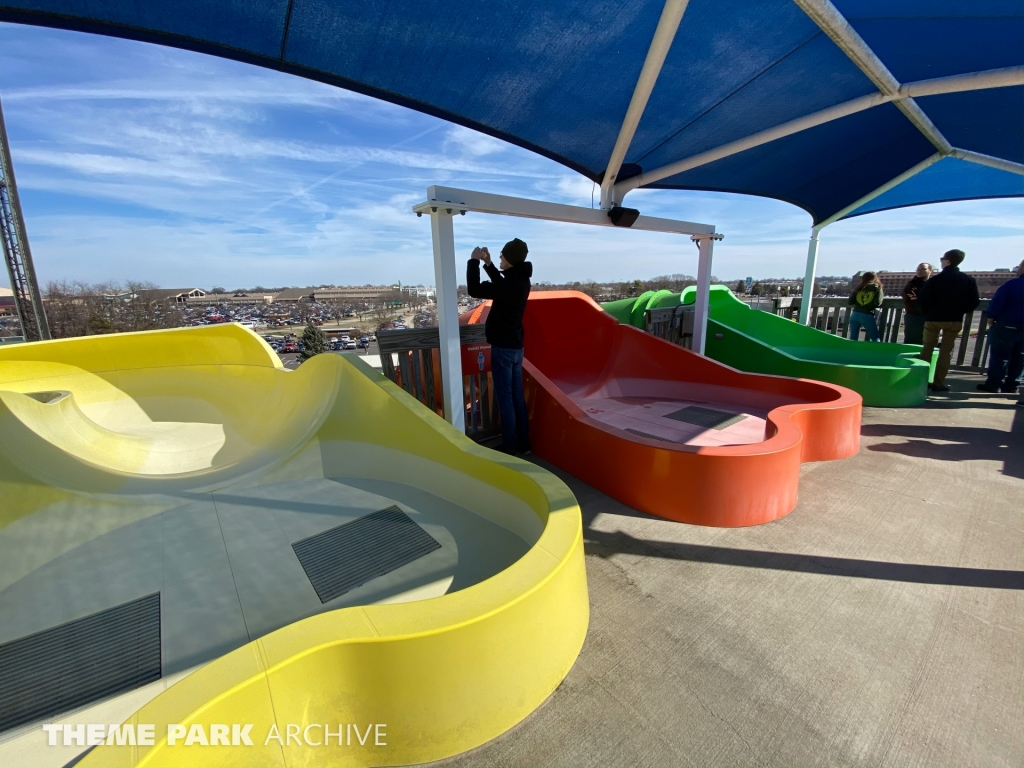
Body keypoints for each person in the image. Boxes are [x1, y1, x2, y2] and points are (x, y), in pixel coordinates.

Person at [466, 238, 532, 455]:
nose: (500, 257)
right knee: (516, 398)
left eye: (503, 255)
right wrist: (489, 264)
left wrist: (473, 262)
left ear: (511, 259)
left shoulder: (511, 284)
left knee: (505, 399)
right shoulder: (520, 280)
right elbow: (501, 285)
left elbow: (474, 289)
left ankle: (510, 447)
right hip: (516, 348)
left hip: (503, 349)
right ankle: (523, 445)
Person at [918, 249, 980, 392]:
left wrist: (927, 314)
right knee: (945, 352)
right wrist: (960, 311)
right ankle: (939, 383)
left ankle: (922, 381)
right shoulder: (968, 280)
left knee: (927, 349)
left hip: (933, 319)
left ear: (947, 261)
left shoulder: (935, 280)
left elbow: (922, 301)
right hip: (954, 320)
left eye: (942, 259)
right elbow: (974, 302)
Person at [977, 259, 1023, 394]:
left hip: (1007, 325)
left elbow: (997, 303)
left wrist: (991, 318)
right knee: (1020, 358)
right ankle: (1012, 385)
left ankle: (994, 384)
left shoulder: (1012, 285)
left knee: (1000, 356)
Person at [901, 262, 932, 344]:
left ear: (930, 271)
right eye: (918, 269)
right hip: (914, 317)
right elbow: (910, 299)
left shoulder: (932, 284)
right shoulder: (911, 285)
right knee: (912, 342)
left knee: (928, 343)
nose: (920, 271)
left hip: (930, 318)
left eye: (923, 269)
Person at [847, 272, 883, 341]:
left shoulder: (858, 288)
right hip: (867, 315)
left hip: (855, 315)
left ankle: (852, 351)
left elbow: (850, 302)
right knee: (875, 338)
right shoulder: (877, 288)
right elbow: (877, 303)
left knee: (853, 338)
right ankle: (878, 351)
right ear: (875, 278)